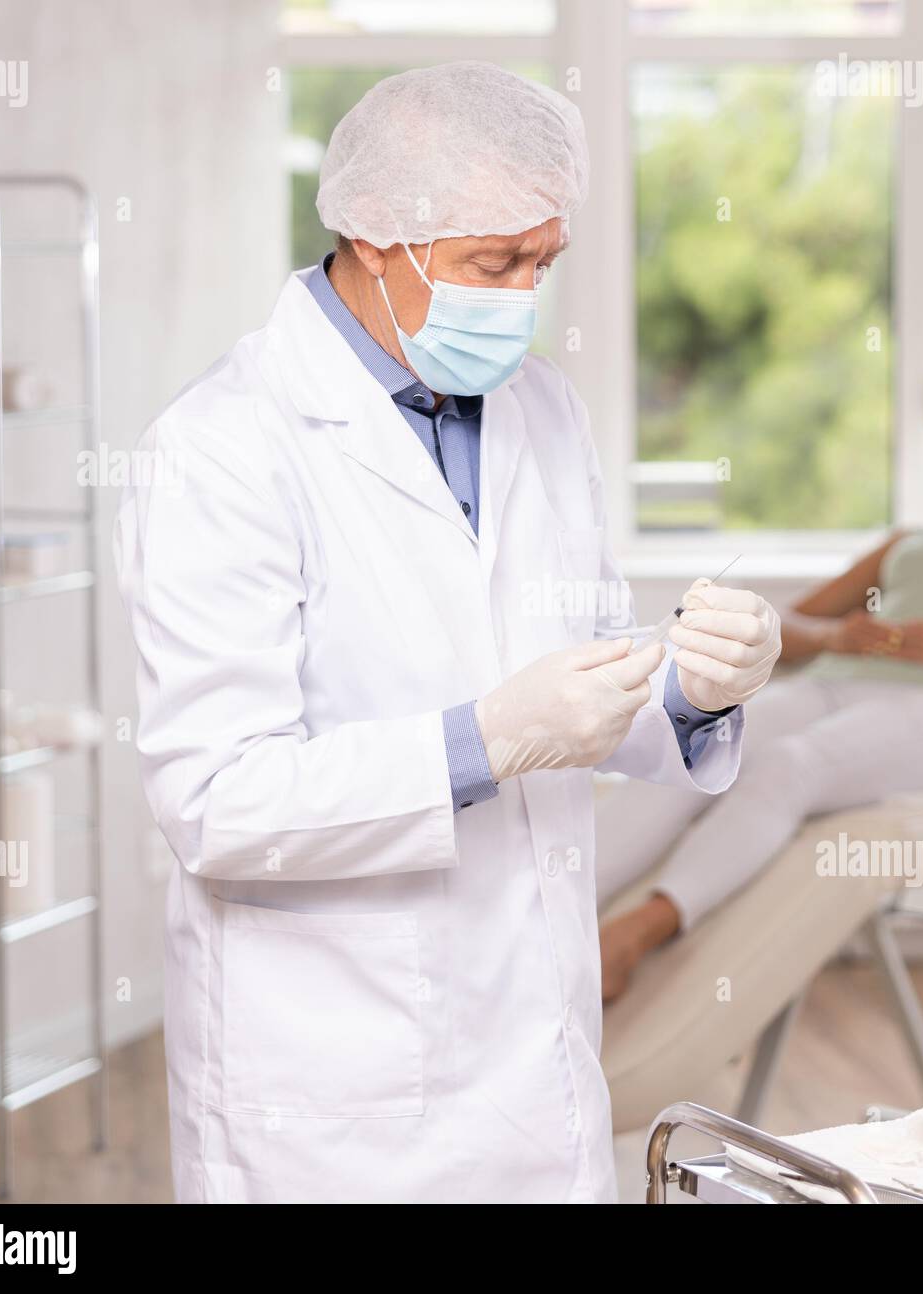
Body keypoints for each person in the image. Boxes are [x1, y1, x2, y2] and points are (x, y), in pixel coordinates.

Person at [113, 61, 781, 1204]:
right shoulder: (224, 446)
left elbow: (578, 671)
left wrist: (692, 689)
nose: (522, 296)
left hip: (534, 1058)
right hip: (335, 1086)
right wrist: (483, 740)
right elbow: (216, 802)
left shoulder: (542, 409)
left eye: (543, 261)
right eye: (492, 263)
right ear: (377, 238)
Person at [596, 387, 923, 1001]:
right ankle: (562, 907)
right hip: (840, 685)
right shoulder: (912, 543)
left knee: (788, 766)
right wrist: (836, 635)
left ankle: (636, 934)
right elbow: (778, 627)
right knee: (691, 738)